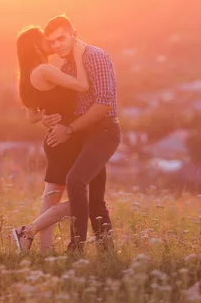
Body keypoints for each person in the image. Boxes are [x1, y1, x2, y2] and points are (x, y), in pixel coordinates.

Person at [13, 15, 121, 256]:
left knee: (74, 184)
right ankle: (107, 254)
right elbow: (55, 106)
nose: (57, 45)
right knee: (94, 199)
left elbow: (104, 103)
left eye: (61, 38)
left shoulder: (93, 56)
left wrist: (67, 127)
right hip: (77, 135)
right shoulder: (65, 66)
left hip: (100, 131)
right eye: (52, 41)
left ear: (74, 34)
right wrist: (50, 119)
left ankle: (73, 250)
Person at [11, 25, 89, 254]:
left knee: (51, 199)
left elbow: (32, 116)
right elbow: (83, 86)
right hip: (64, 141)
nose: (51, 43)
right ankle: (27, 230)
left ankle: (41, 251)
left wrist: (45, 117)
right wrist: (80, 55)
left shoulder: (26, 75)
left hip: (55, 140)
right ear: (36, 45)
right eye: (46, 40)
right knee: (85, 199)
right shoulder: (44, 70)